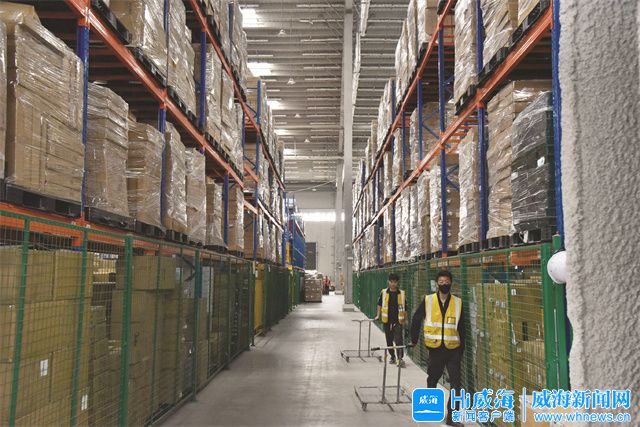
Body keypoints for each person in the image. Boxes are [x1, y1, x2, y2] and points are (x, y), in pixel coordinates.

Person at [411, 270, 464, 427]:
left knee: (456, 384)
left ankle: (452, 417)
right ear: (436, 284)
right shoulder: (428, 300)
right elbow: (416, 318)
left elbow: (462, 327)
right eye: (441, 282)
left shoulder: (457, 302)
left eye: (446, 282)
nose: (444, 284)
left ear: (451, 283)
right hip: (435, 349)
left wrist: (461, 349)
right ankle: (432, 408)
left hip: (453, 350)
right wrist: (414, 339)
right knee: (433, 379)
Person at [374, 273, 407, 367]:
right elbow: (379, 304)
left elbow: (405, 307)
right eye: (391, 282)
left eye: (395, 282)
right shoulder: (384, 292)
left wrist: (406, 319)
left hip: (398, 320)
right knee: (389, 340)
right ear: (388, 282)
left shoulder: (402, 293)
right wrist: (378, 315)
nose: (393, 284)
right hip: (387, 320)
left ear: (397, 283)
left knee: (398, 340)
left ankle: (400, 358)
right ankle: (392, 356)